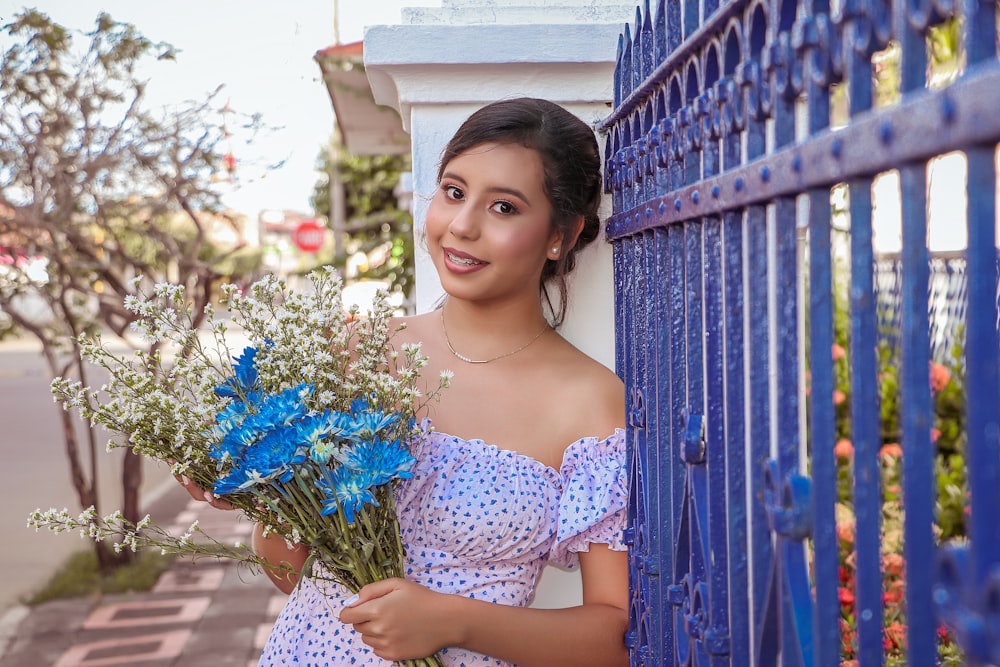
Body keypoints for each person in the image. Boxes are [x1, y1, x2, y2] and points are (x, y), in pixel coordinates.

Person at [182, 97, 629, 667]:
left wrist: (455, 620)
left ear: (560, 236)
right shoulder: (354, 355)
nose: (462, 227)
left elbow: (614, 637)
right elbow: (288, 573)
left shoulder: (588, 403)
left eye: (504, 208)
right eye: (454, 192)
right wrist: (264, 492)